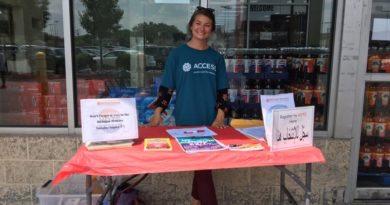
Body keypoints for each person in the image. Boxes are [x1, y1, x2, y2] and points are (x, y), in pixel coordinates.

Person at [148, 6, 229, 205]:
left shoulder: (216, 58)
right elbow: (167, 88)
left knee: (202, 167)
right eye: (198, 23)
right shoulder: (177, 55)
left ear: (211, 29)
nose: (202, 28)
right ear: (191, 25)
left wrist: (220, 116)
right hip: (185, 121)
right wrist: (158, 112)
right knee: (202, 167)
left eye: (207, 25)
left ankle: (195, 201)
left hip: (210, 122)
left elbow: (222, 92)